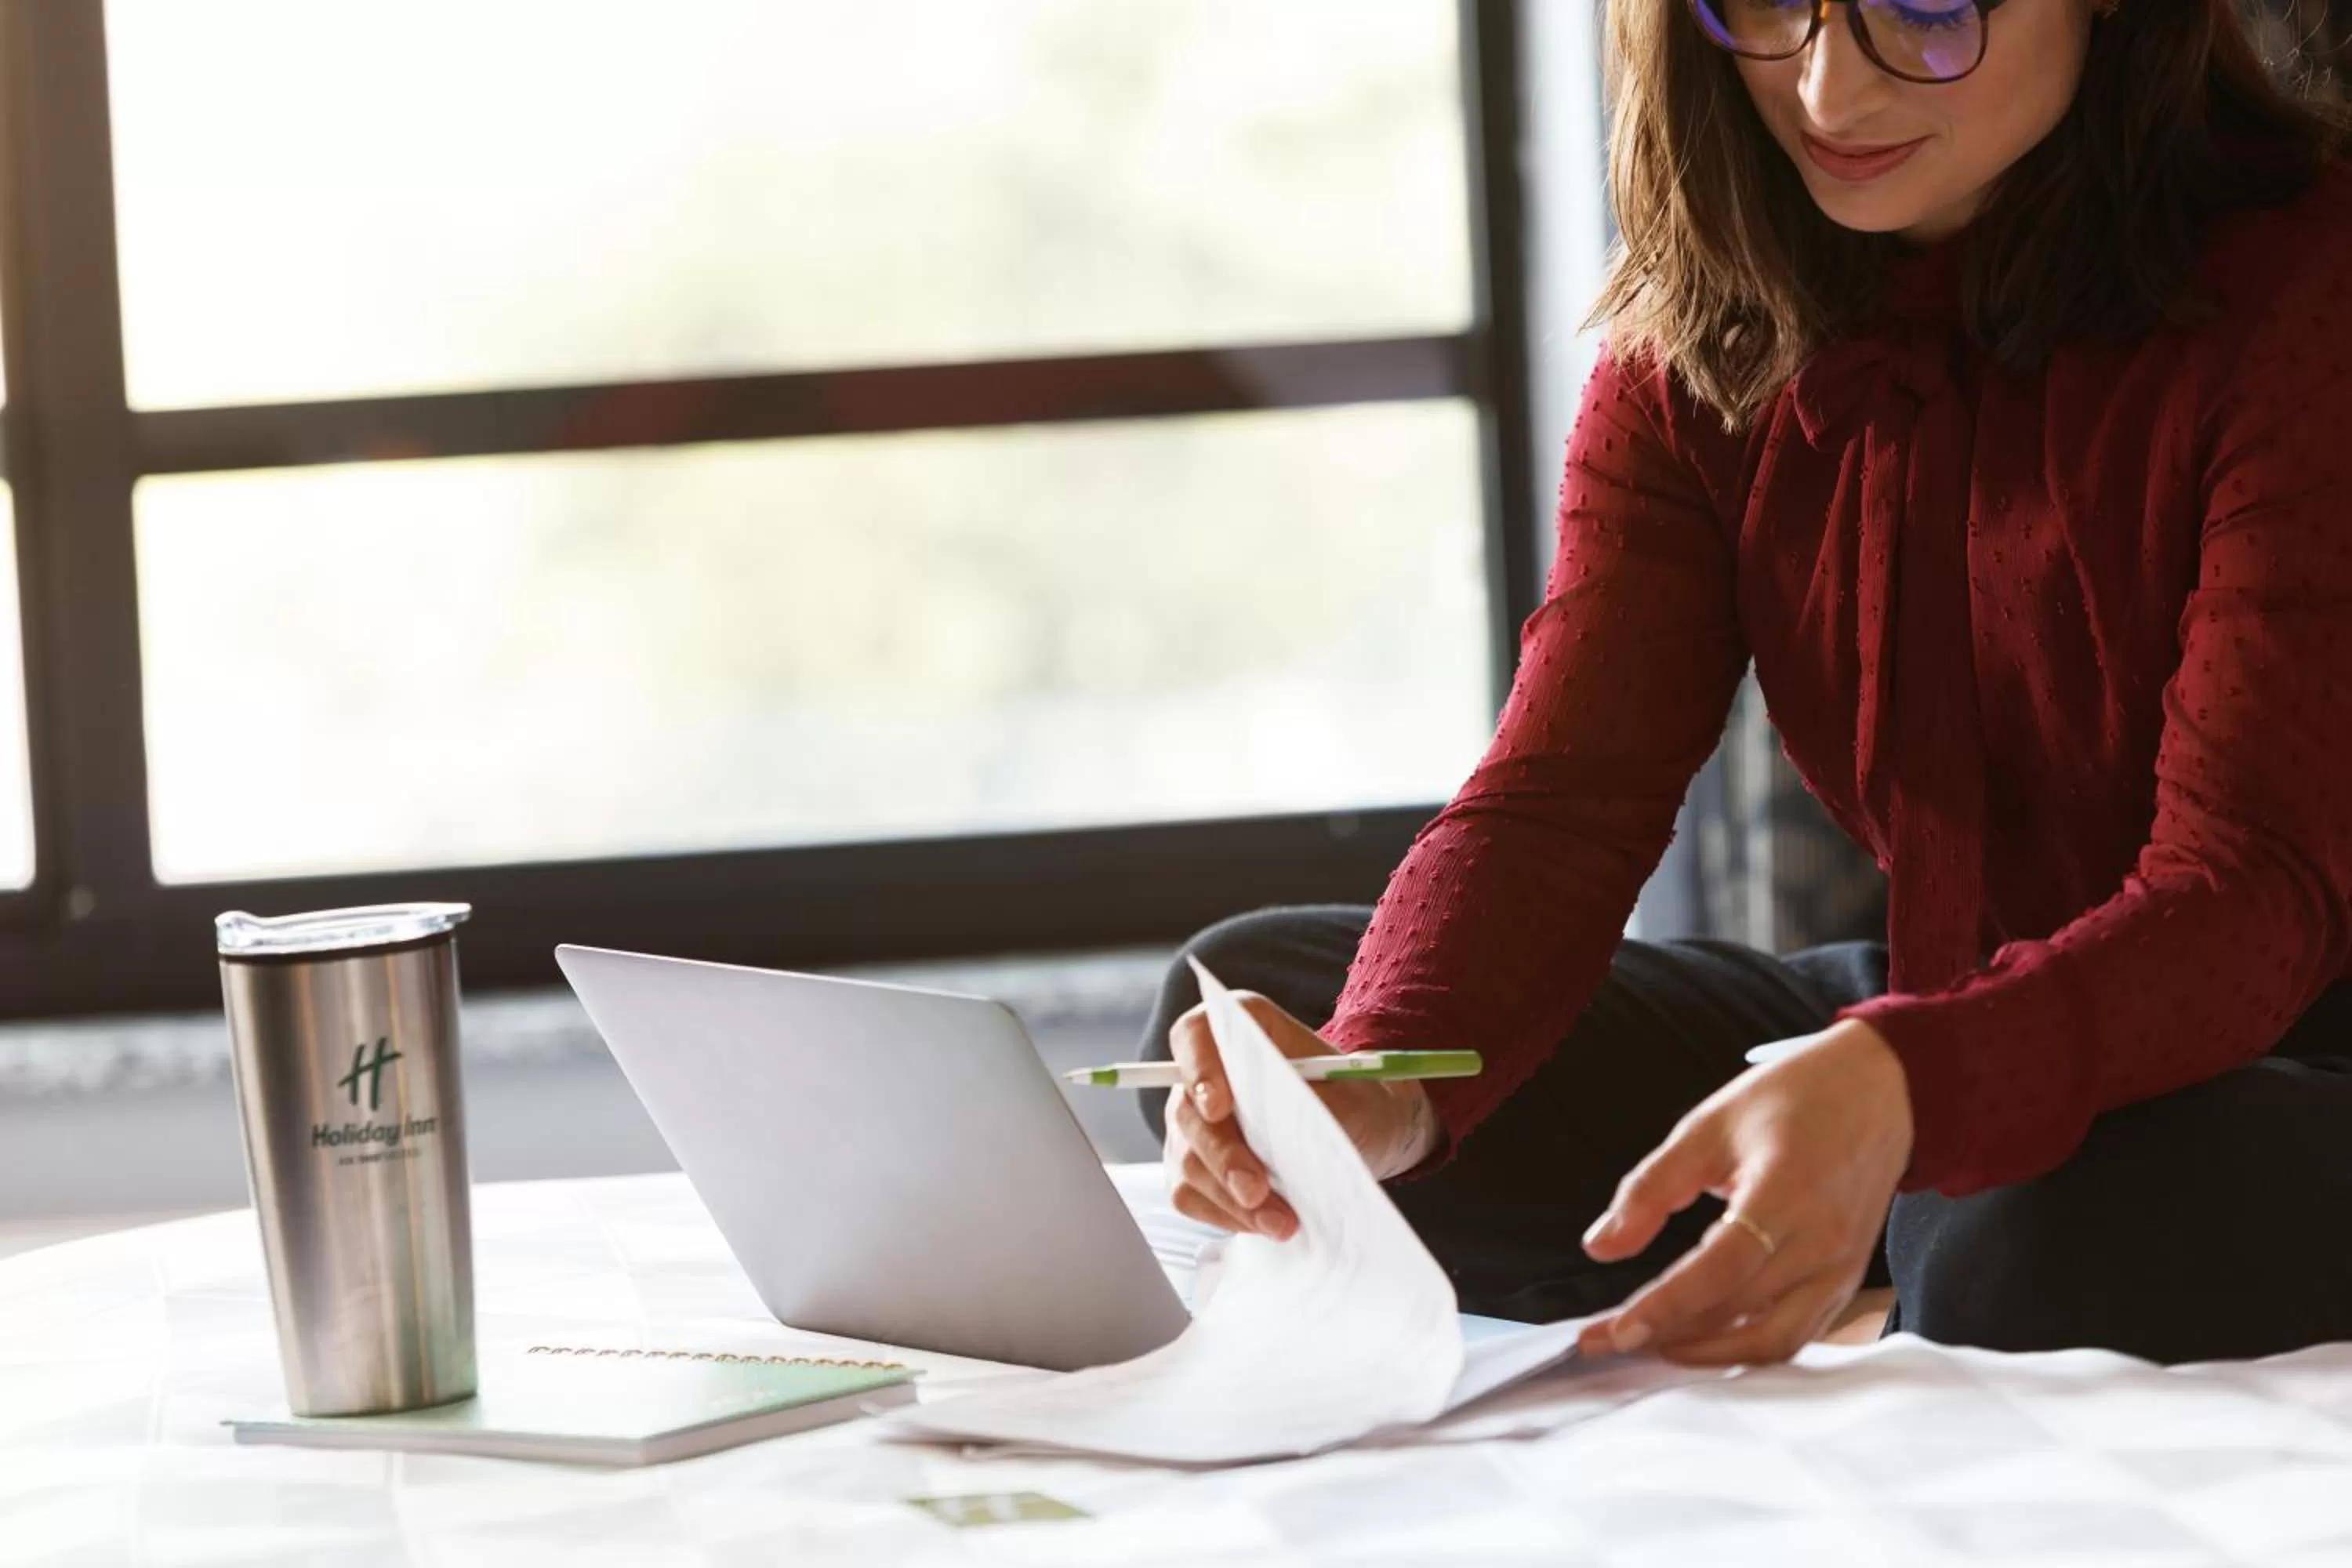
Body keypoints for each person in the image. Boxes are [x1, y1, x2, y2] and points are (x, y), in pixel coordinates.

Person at [1145, 0, 2352, 1370]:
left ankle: (1888, 1203)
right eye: (1773, 1)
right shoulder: (1714, 328)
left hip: (2295, 1034)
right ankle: (1864, 1196)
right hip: (1948, 996)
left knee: (2019, 1234)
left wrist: (1917, 1083)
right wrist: (1375, 1082)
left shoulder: (2309, 299)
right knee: (1258, 1024)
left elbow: (2253, 888)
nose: (1827, 90)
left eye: (1925, 8)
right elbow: (1562, 801)